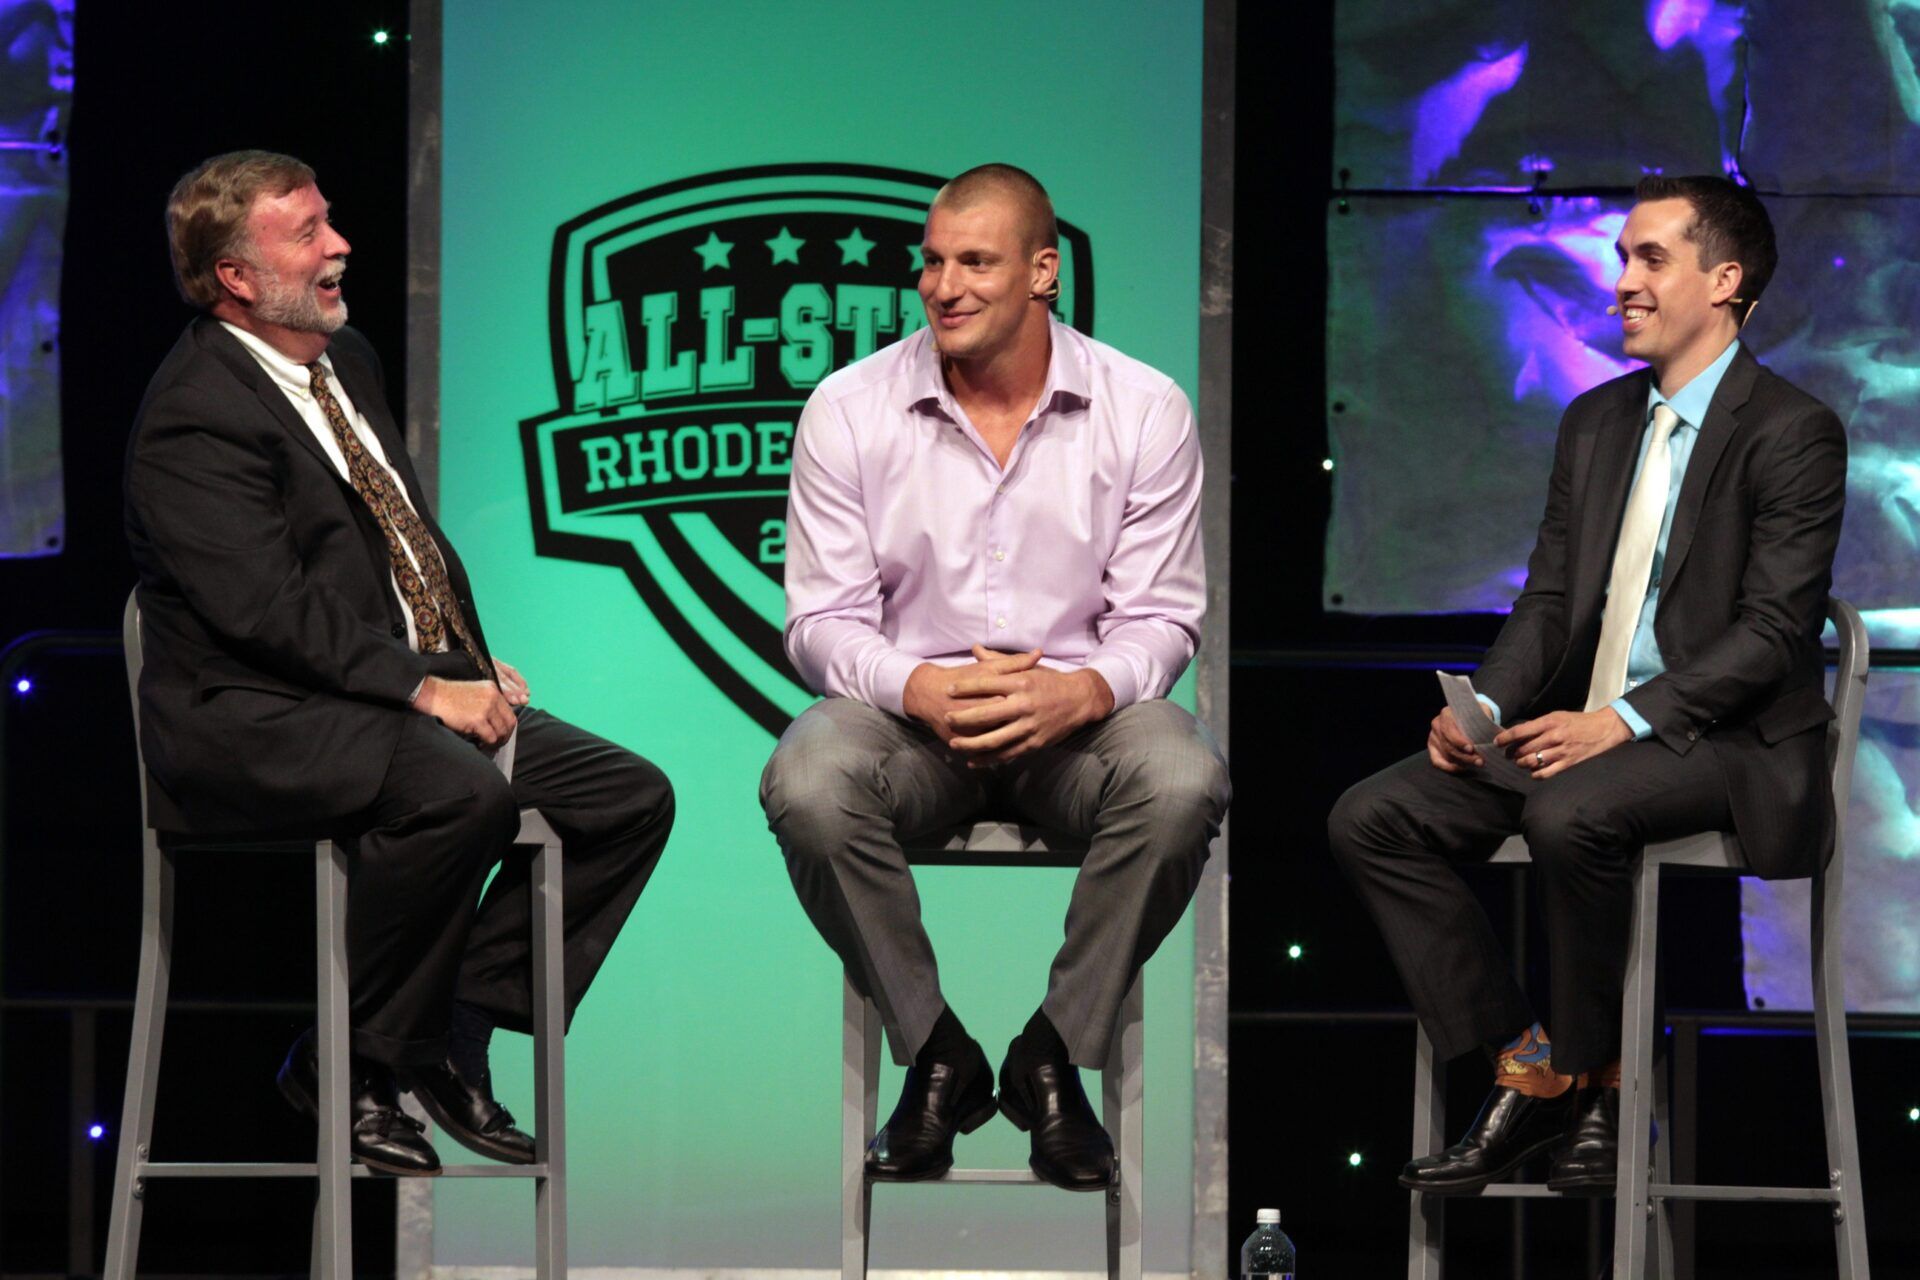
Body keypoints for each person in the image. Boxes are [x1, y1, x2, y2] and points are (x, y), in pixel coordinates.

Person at [124, 150, 675, 1175]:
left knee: (627, 797)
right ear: (236, 276)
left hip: (373, 690)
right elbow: (264, 608)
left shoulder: (347, 362)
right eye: (307, 233)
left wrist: (460, 659)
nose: (339, 245)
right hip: (253, 715)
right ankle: (352, 1065)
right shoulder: (194, 413)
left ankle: (454, 1027)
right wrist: (422, 682)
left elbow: (399, 539)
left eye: (330, 221)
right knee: (460, 796)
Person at [1328, 174, 1846, 1195]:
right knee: (1373, 813)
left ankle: (1610, 1084)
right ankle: (1534, 1064)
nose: (1624, 281)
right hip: (1584, 734)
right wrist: (1482, 707)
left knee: (1572, 812)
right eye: (1622, 258)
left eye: (1651, 258)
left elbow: (1773, 632)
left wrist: (1622, 719)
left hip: (1724, 743)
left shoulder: (1793, 429)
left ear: (1726, 280)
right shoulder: (1598, 421)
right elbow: (1550, 598)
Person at [759, 164, 1230, 1191]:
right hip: (916, 731)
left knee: (1185, 776)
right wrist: (913, 683)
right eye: (931, 260)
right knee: (806, 779)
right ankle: (938, 1053)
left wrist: (1088, 689)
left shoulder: (1142, 407)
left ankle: (1052, 1052)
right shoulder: (849, 406)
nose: (944, 284)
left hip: (1078, 733)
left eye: (976, 260)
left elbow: (1162, 615)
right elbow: (821, 620)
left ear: (1043, 271)